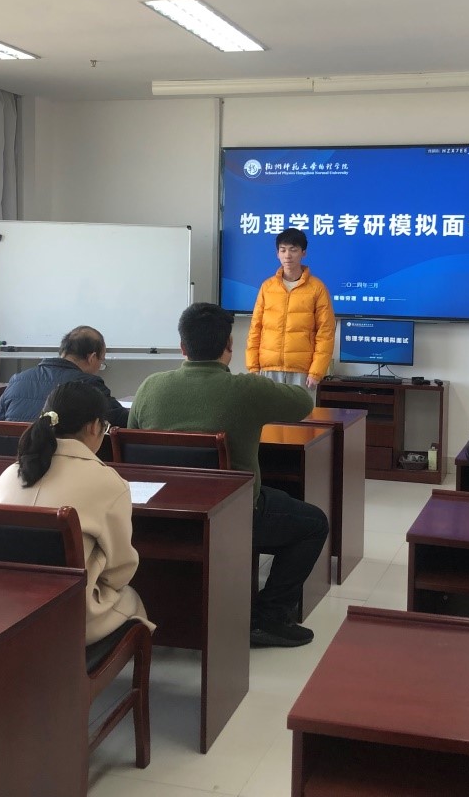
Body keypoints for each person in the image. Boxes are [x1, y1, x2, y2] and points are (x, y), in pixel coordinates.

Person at [131, 303, 327, 647]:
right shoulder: (246, 389)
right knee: (313, 523)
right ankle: (268, 618)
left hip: (160, 516)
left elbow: (133, 441)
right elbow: (303, 403)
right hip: (231, 516)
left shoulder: (150, 387)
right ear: (230, 346)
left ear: (182, 346)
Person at [0, 381, 151, 644]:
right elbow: (120, 570)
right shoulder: (108, 482)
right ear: (94, 426)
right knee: (132, 599)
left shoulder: (10, 474)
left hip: (6, 611)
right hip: (69, 617)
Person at [246, 228, 336, 390]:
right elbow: (255, 329)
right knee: (269, 408)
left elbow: (326, 332)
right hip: (268, 368)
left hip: (303, 371)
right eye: (283, 250)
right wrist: (253, 367)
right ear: (277, 254)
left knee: (301, 408)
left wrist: (317, 371)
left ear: (303, 253)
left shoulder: (317, 288)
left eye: (293, 250)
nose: (287, 255)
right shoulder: (267, 287)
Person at [0, 325, 128, 427]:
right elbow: (124, 422)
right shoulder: (90, 384)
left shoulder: (17, 380)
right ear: (92, 358)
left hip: (14, 454)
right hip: (61, 454)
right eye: (101, 360)